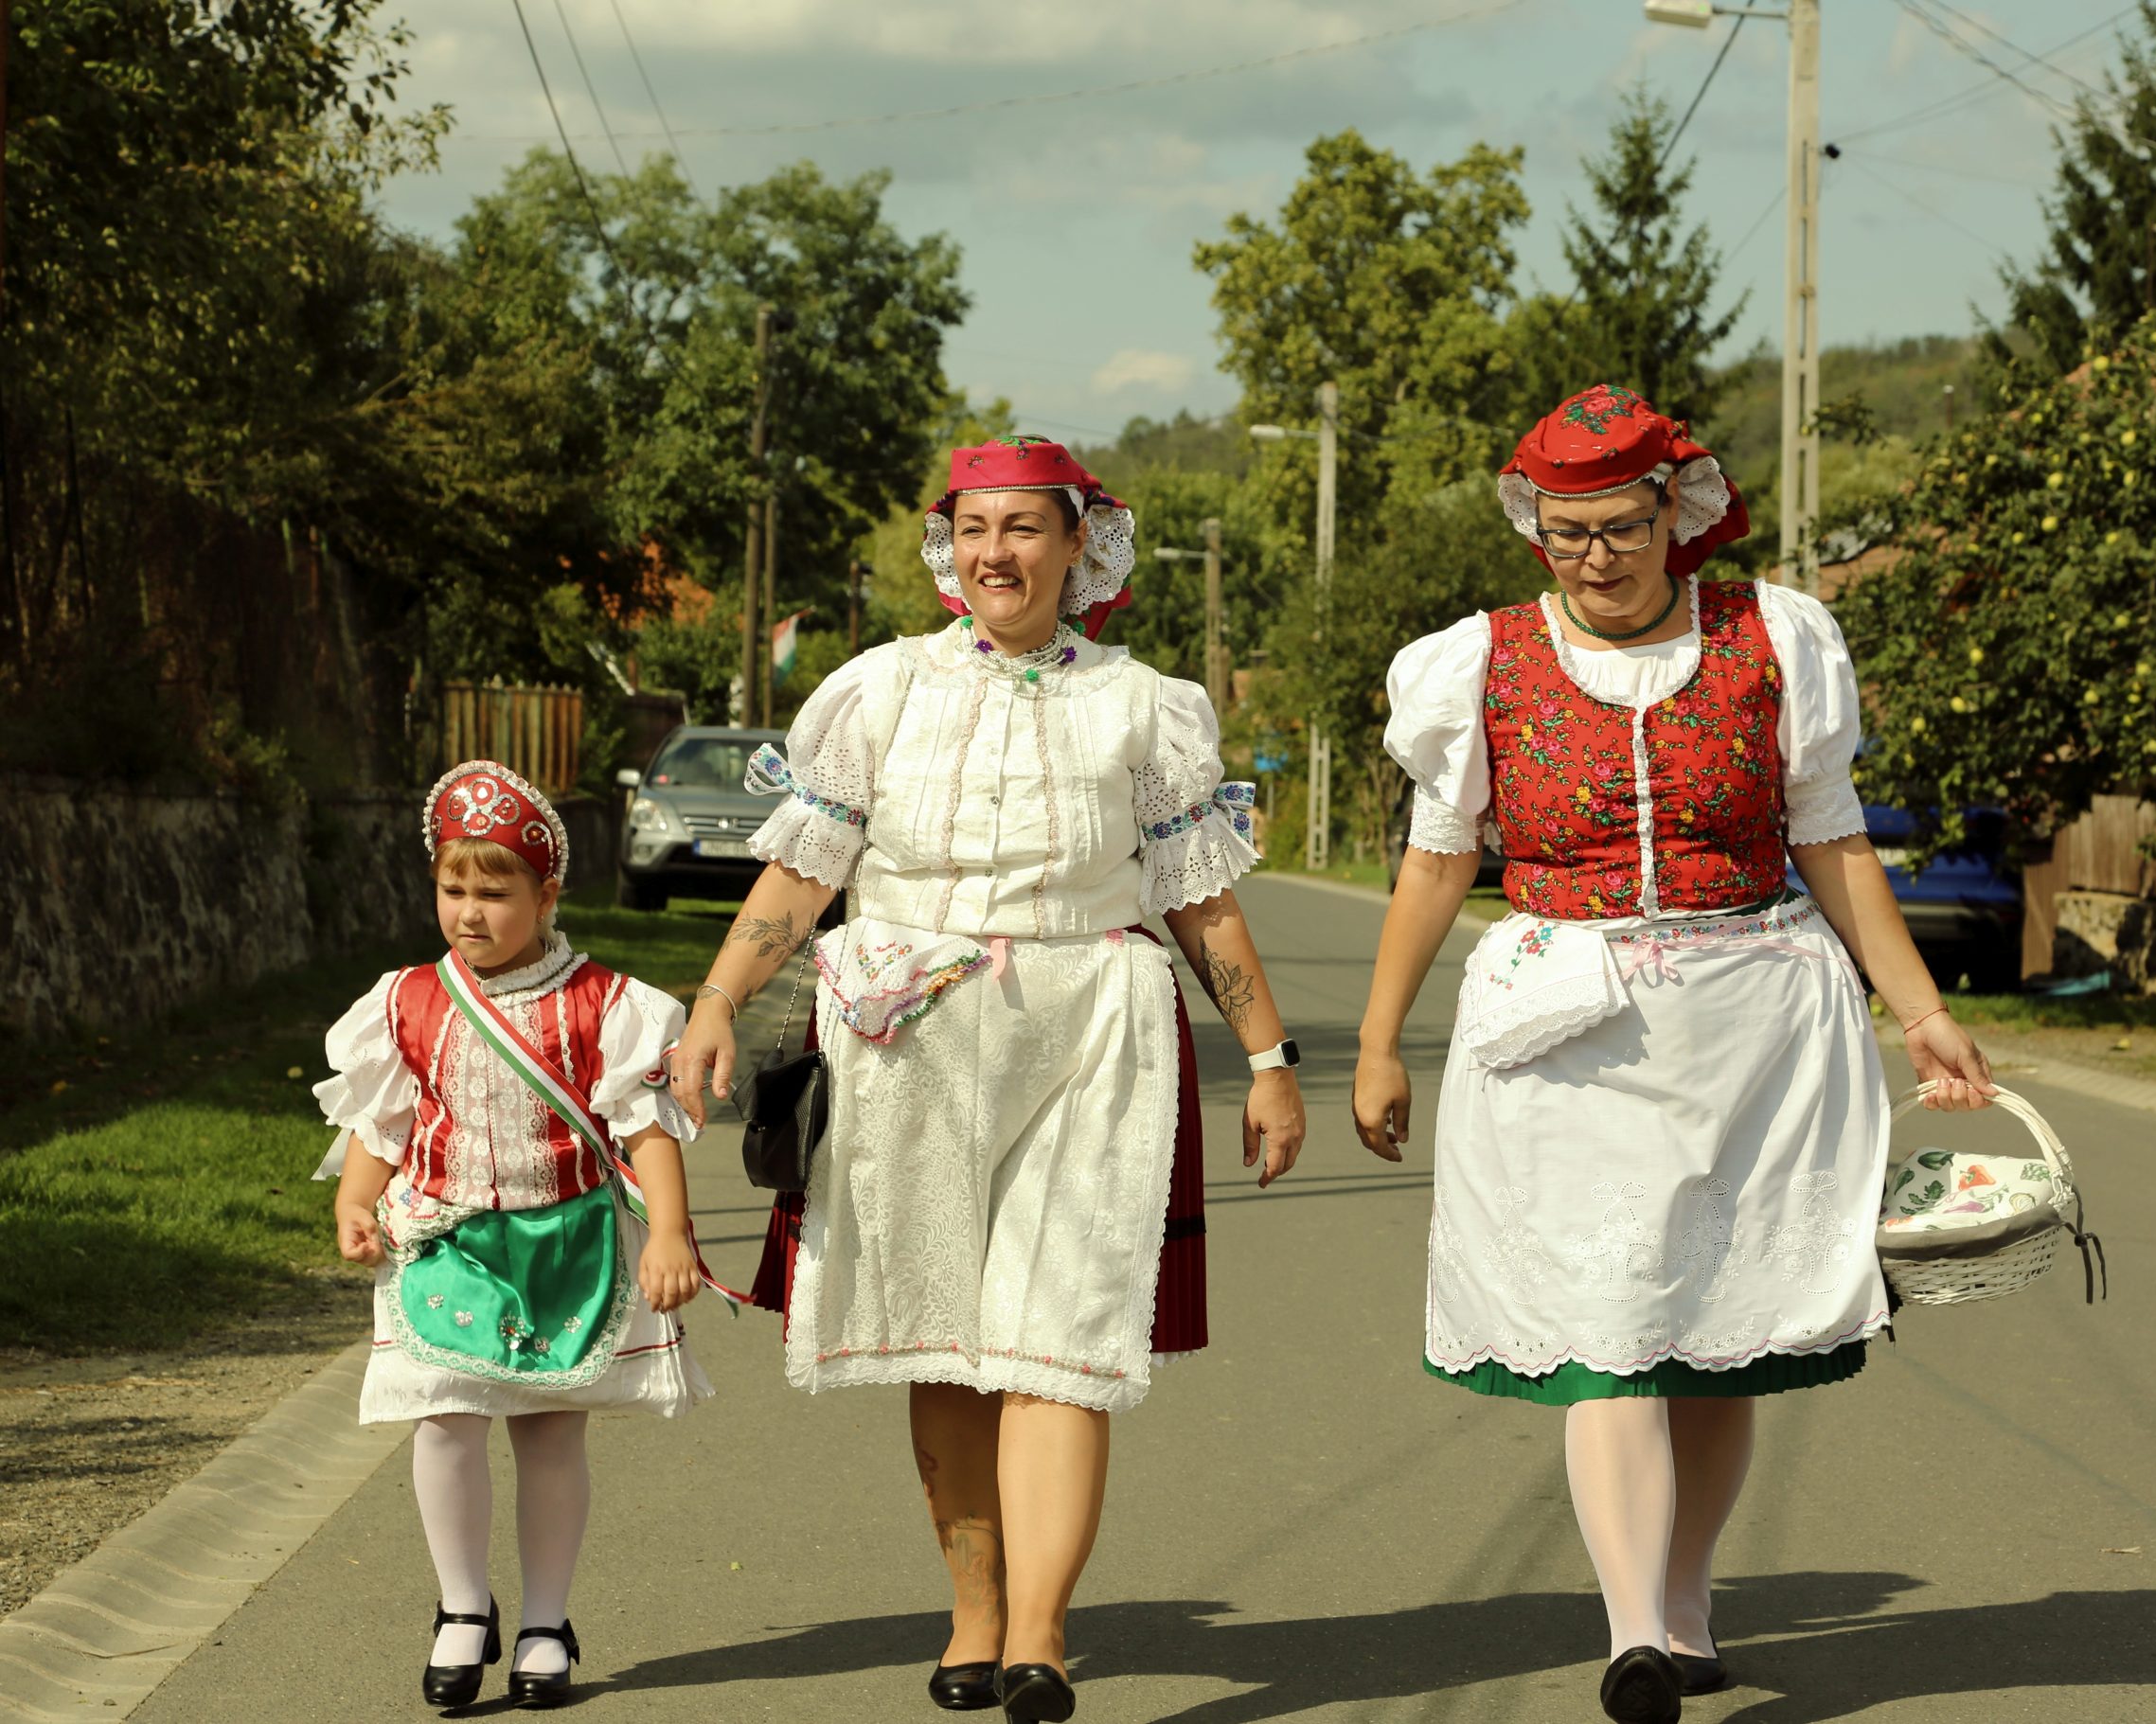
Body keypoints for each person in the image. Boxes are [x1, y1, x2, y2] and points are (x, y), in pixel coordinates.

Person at [1351, 385, 1995, 1724]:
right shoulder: (1479, 662)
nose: (1594, 556)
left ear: (1675, 516)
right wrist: (1376, 1043)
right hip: (1564, 1027)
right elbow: (1435, 861)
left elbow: (1834, 841)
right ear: (1538, 526)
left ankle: (1687, 1600)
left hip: (1753, 1016)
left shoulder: (1777, 638)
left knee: (1715, 1331)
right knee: (1612, 1325)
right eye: (1567, 531)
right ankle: (1632, 1627)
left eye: (1621, 527)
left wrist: (1921, 1009)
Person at [671, 437, 1308, 1723]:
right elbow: (803, 874)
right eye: (972, 528)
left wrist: (1271, 1061)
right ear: (946, 546)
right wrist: (718, 999)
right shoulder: (878, 692)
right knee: (946, 1346)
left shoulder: (1148, 705)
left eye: (1024, 528)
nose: (994, 553)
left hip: (1091, 1037)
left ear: (1080, 546)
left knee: (1061, 1338)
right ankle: (974, 1612)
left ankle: (1041, 1634)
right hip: (910, 1040)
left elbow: (1204, 907)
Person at [315, 760, 712, 1711]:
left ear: (547, 894)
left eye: (495, 892)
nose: (470, 911)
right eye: (454, 888)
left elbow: (646, 1126)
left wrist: (668, 1232)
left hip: (562, 1248)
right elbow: (385, 1119)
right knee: (444, 1420)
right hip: (449, 1242)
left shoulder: (605, 1005)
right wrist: (356, 1201)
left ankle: (544, 1617)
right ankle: (461, 1608)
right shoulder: (408, 999)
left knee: (546, 1431)